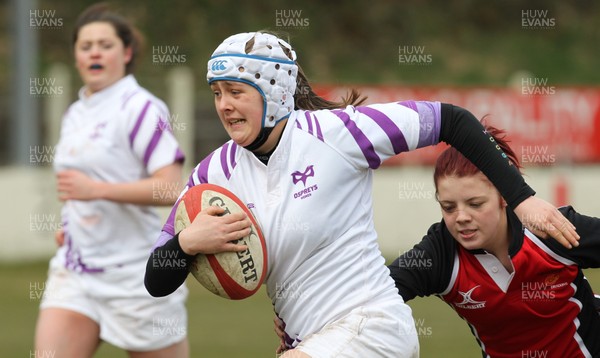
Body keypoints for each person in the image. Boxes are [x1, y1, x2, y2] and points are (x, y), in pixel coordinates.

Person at [144, 31, 577, 358]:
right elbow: (155, 280)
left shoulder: (337, 134)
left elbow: (453, 120)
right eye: (217, 93)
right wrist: (186, 244)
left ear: (274, 92)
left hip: (373, 327)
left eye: (236, 92)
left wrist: (521, 198)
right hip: (309, 341)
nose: (223, 105)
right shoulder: (211, 177)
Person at [34, 3, 188, 358]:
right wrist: (71, 223)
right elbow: (80, 190)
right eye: (86, 46)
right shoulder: (76, 112)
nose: (95, 52)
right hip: (76, 271)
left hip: (138, 276)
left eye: (105, 45)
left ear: (127, 52)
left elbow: (170, 188)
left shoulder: (142, 108)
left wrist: (96, 191)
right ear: (76, 56)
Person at [381, 125, 599, 357]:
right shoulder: (440, 255)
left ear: (505, 195)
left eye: (475, 204)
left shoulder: (547, 230)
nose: (462, 217)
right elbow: (373, 293)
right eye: (449, 207)